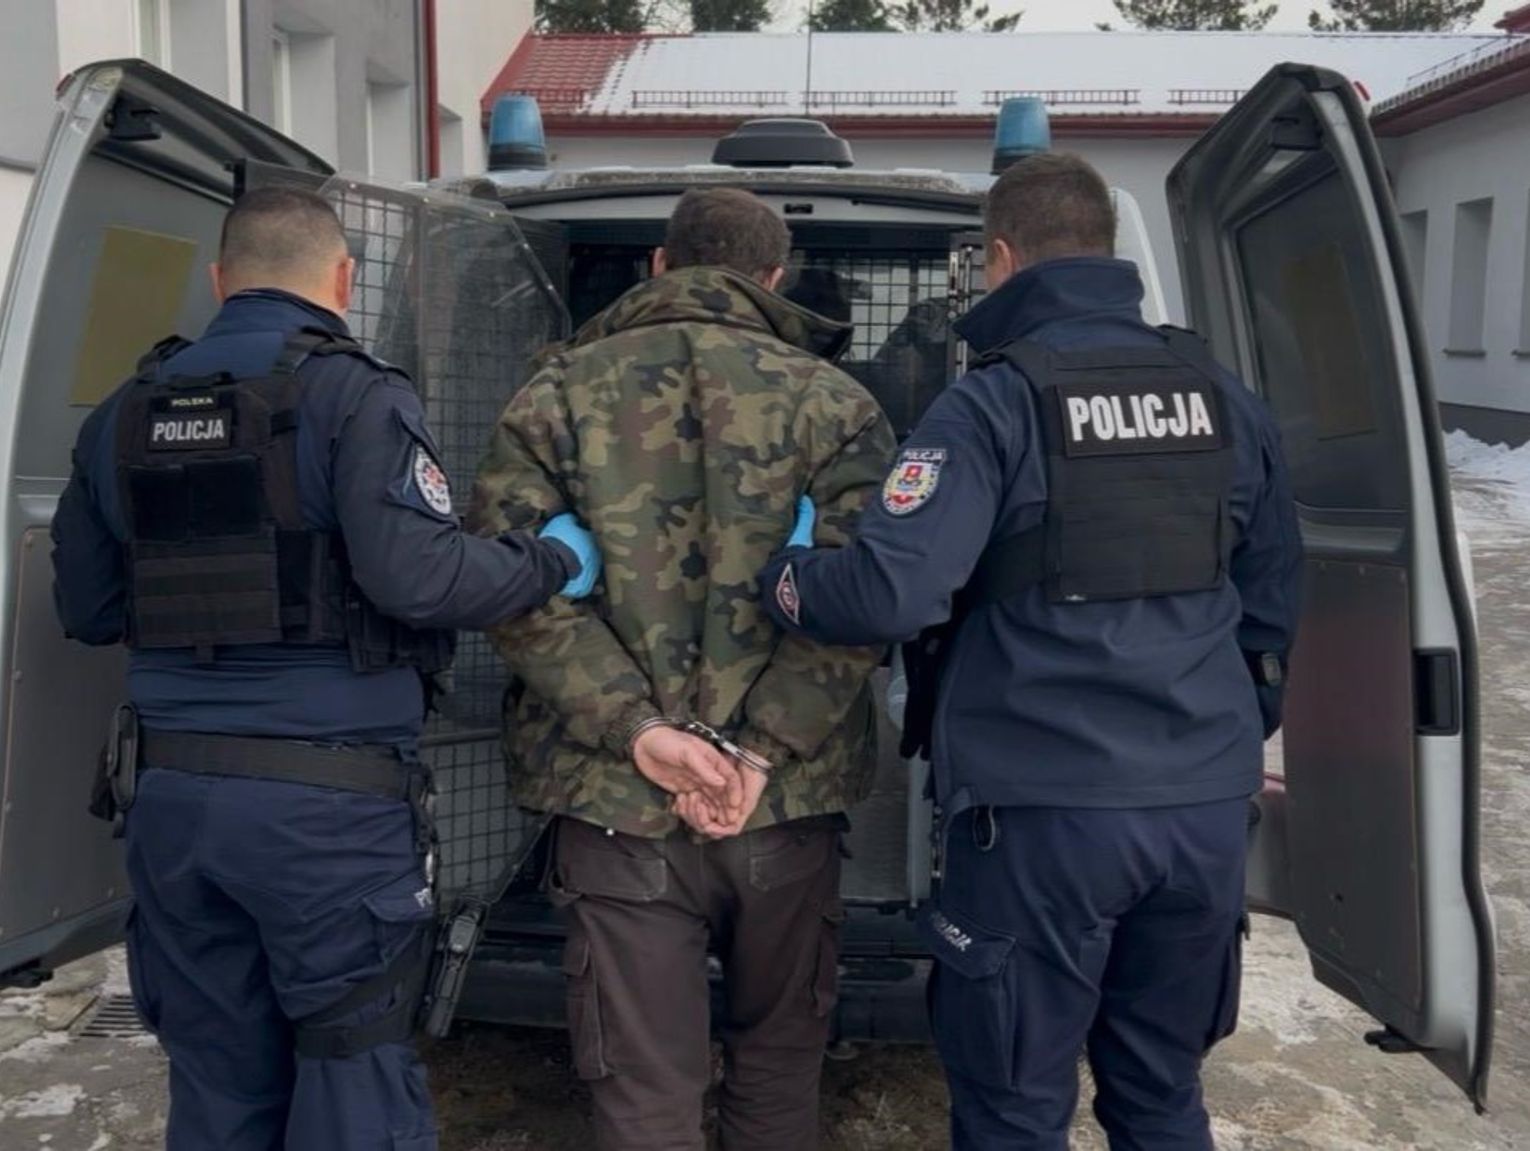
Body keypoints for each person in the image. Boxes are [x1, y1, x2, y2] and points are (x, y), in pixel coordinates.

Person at [759, 154, 1303, 1150]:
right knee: (1162, 1090)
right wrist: (1208, 739)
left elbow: (890, 589)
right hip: (1201, 813)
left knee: (1014, 1106)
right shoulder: (1225, 399)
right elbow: (1271, 607)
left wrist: (787, 575)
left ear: (1000, 256)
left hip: (1045, 820)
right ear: (1104, 252)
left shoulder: (994, 406)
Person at [51, 186, 599, 1151]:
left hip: (170, 800)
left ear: (220, 281)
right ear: (344, 278)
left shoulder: (122, 415)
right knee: (350, 1069)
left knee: (217, 1073)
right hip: (324, 812)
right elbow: (419, 581)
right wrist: (550, 560)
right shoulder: (355, 394)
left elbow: (89, 609)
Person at [468, 187, 897, 1151]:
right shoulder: (838, 403)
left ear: (659, 266)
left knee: (643, 1091)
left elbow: (510, 588)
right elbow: (863, 604)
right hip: (780, 807)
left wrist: (639, 730)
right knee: (780, 1066)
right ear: (775, 279)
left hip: (618, 806)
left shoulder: (555, 392)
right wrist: (758, 750)